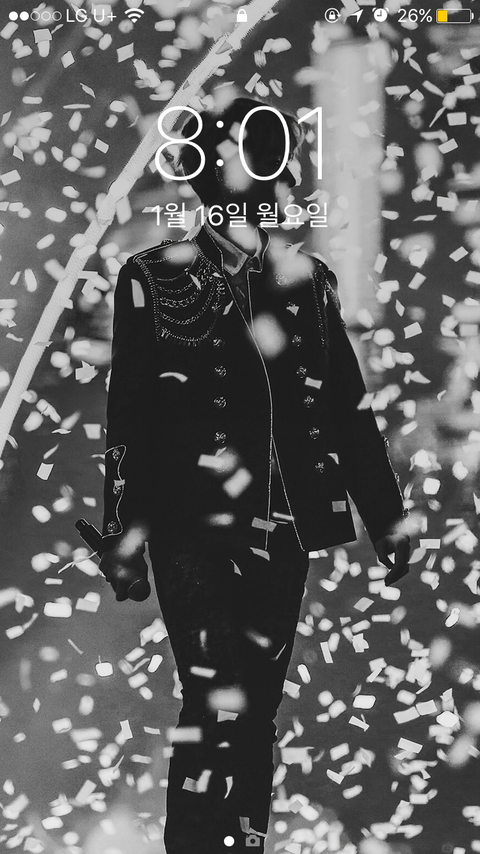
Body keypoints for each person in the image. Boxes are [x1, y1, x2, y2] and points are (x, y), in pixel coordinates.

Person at [99, 97, 411, 854]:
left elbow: (346, 410)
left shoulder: (309, 283)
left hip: (284, 525)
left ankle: (241, 846)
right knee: (217, 700)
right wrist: (124, 533)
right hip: (190, 528)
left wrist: (386, 517)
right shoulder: (152, 277)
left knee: (255, 710)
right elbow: (129, 417)